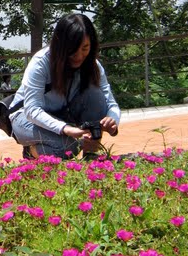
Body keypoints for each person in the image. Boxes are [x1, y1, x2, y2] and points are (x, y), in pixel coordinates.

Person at [9, 13, 120, 159]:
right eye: (73, 50)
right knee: (68, 148)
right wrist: (65, 129)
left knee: (95, 94)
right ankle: (31, 152)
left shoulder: (93, 65)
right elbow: (32, 110)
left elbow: (110, 103)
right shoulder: (40, 63)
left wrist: (112, 119)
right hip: (25, 119)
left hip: (61, 114)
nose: (79, 56)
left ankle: (91, 155)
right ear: (60, 45)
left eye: (85, 48)